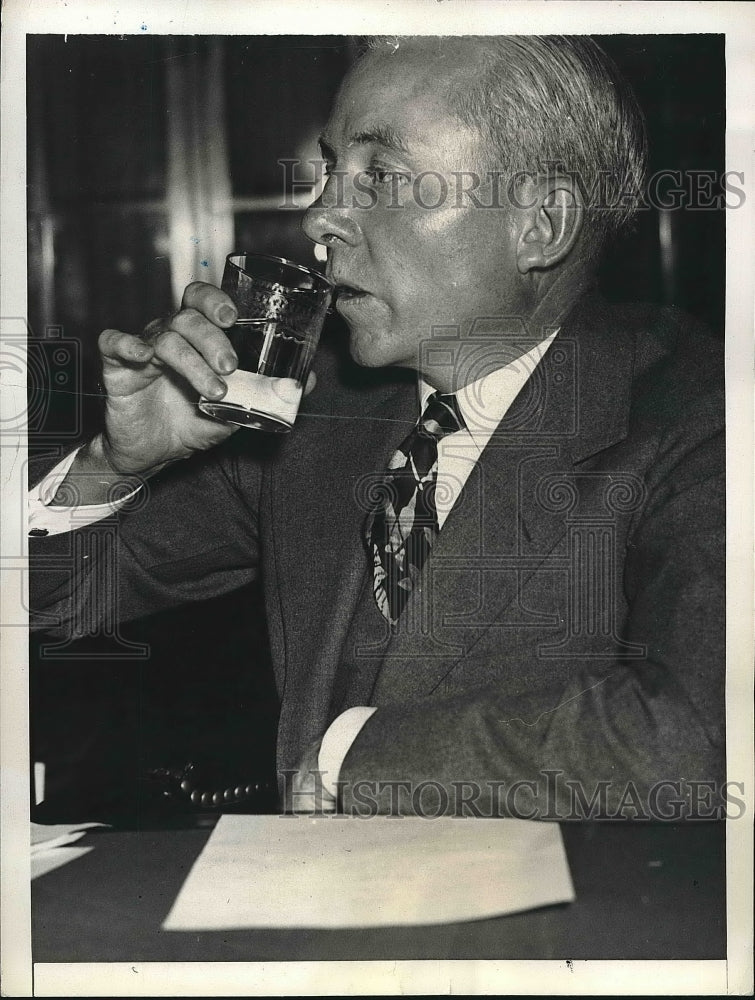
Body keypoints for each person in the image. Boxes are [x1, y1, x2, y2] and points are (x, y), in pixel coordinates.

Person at [28, 35, 724, 819]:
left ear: (540, 223)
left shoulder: (699, 414)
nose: (321, 214)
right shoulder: (319, 409)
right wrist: (114, 464)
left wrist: (347, 757)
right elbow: (41, 605)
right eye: (331, 170)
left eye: (382, 176)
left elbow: (703, 737)